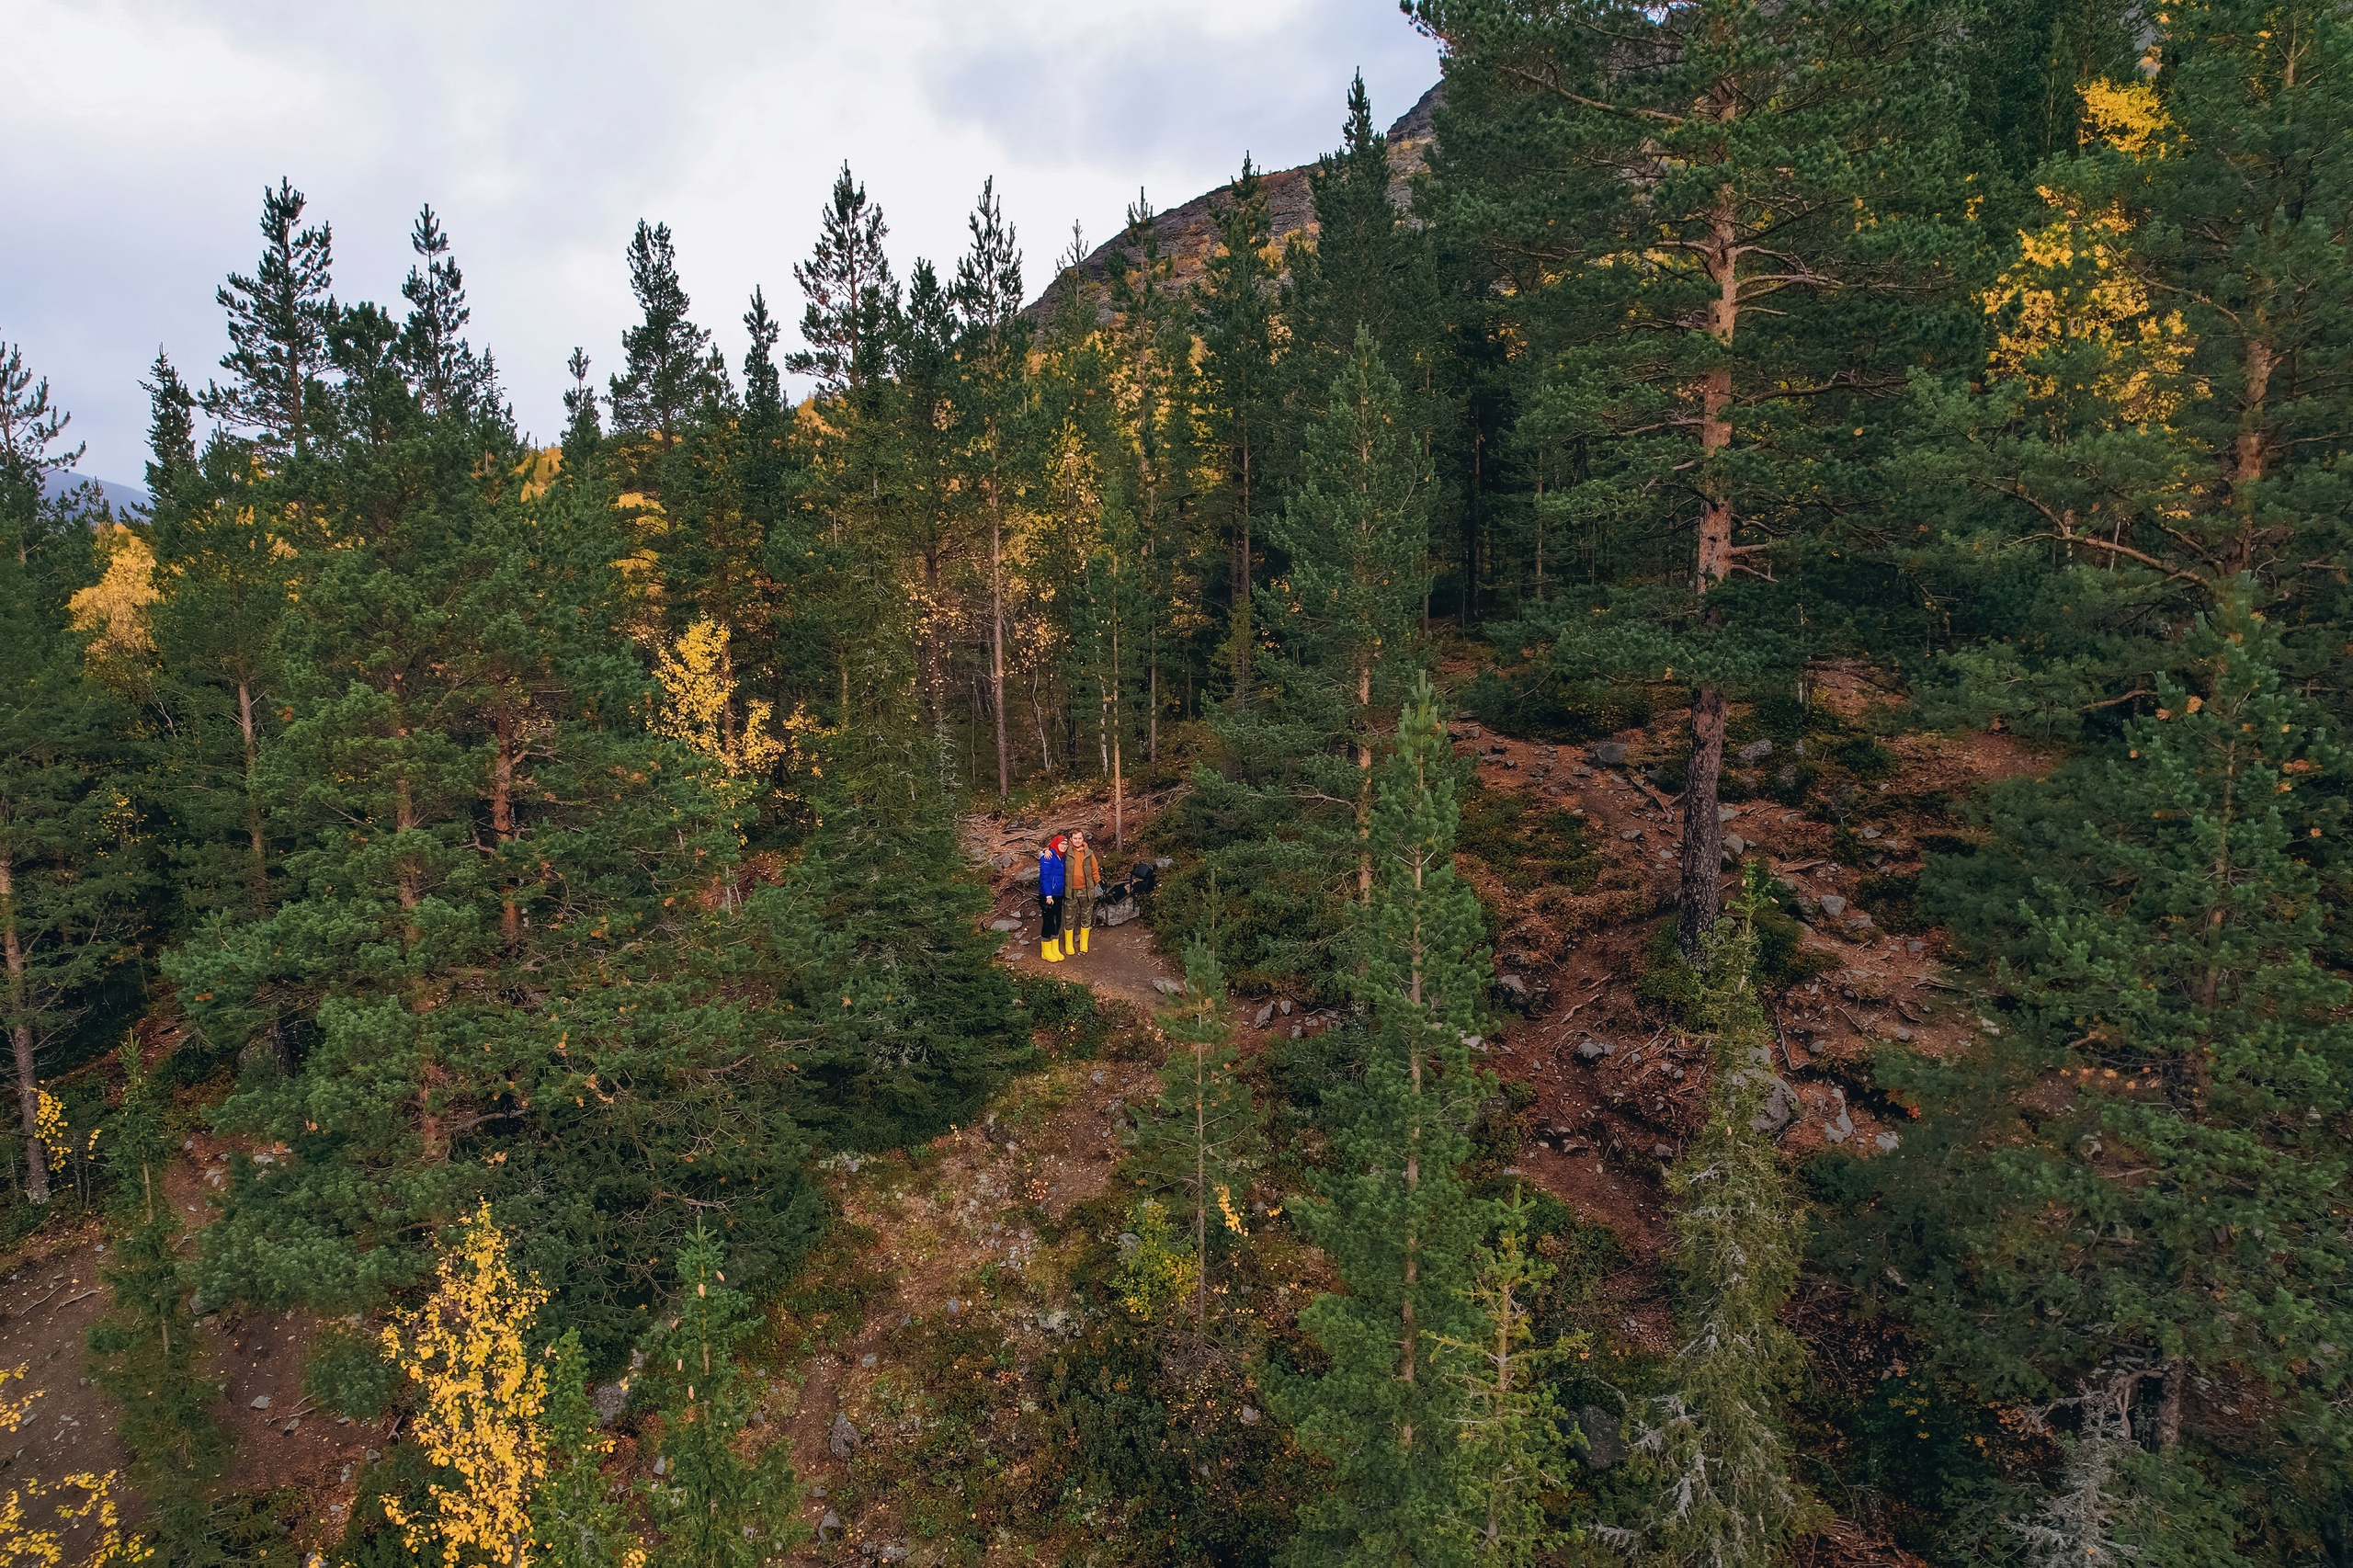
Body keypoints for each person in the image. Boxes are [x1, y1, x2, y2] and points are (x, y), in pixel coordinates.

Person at [1063, 831, 1102, 957]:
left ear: (1083, 839)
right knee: (1069, 917)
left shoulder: (1089, 854)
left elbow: (1094, 870)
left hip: (1086, 890)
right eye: (1075, 838)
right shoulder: (1066, 852)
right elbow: (1052, 849)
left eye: (1080, 838)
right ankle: (1069, 944)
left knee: (1086, 916)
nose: (1077, 840)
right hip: (1070, 891)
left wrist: (1098, 883)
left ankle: (1084, 943)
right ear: (1071, 839)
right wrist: (1046, 851)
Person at [1038, 835, 1067, 962]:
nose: (1064, 846)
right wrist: (1048, 895)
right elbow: (1044, 877)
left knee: (1057, 920)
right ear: (1056, 844)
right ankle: (1046, 950)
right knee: (1048, 921)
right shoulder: (1048, 857)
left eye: (1066, 844)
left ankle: (1055, 948)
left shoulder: (1062, 857)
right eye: (1062, 844)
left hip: (1058, 894)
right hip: (1048, 895)